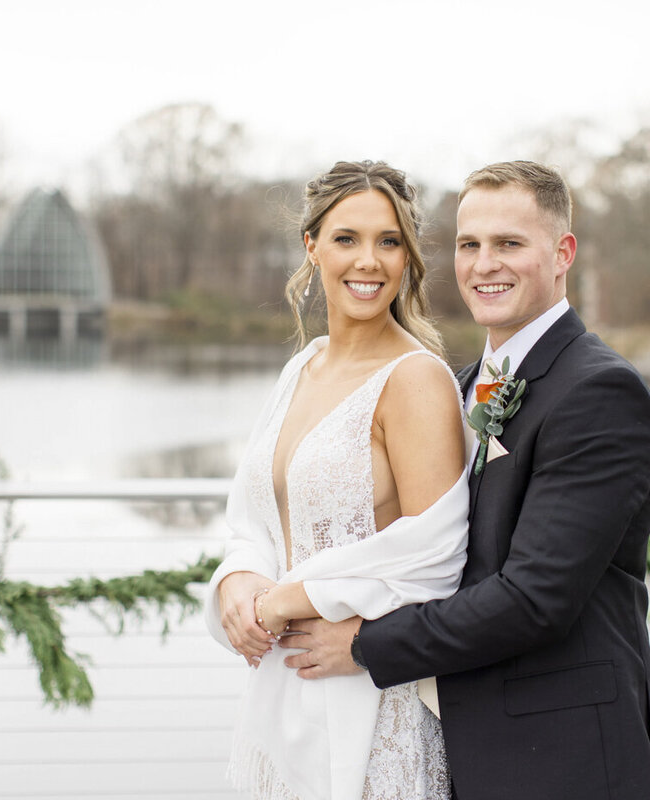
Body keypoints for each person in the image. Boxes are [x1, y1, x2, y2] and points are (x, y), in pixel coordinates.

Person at [283, 161, 650, 800]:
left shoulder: (600, 392)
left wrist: (365, 644)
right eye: (470, 245)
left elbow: (534, 599)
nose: (484, 264)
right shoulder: (456, 387)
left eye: (509, 244)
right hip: (461, 750)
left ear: (561, 254)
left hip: (568, 762)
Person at [203, 160, 470, 800]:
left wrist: (285, 601)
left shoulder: (416, 379)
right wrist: (238, 582)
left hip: (373, 701)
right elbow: (253, 518)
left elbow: (438, 556)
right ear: (312, 247)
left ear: (408, 257)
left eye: (389, 241)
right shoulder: (302, 368)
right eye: (347, 238)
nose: (368, 261)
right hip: (283, 691)